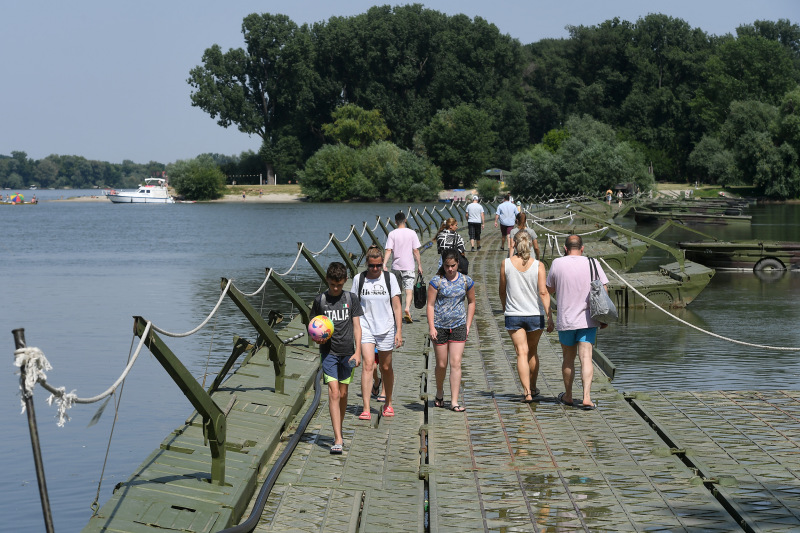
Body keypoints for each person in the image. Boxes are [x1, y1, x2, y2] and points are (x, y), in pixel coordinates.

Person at [546, 235, 609, 410]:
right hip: (588, 320)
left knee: (568, 359)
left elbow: (549, 288)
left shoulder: (557, 263)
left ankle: (568, 396)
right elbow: (604, 288)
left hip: (566, 319)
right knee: (586, 357)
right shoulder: (593, 263)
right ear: (582, 248)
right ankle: (587, 397)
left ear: (565, 249)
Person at [310, 262, 364, 454]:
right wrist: (316, 339)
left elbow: (357, 326)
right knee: (333, 392)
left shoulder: (351, 298)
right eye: (333, 284)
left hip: (348, 352)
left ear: (345, 282)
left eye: (339, 285)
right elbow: (313, 326)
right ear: (327, 280)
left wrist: (358, 352)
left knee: (342, 393)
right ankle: (338, 438)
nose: (335, 288)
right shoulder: (320, 301)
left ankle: (338, 428)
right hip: (329, 353)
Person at [499, 231, 550, 402]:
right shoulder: (539, 265)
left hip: (513, 314)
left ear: (513, 243)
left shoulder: (505, 263)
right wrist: (550, 316)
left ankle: (527, 392)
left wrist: (505, 306)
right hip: (535, 314)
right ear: (529, 244)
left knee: (521, 353)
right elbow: (543, 292)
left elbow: (502, 289)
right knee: (532, 352)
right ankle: (534, 387)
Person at [354, 246, 403, 420]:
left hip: (386, 327)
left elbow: (397, 306)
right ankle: (366, 408)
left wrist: (399, 331)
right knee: (368, 365)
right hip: (366, 326)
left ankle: (388, 403)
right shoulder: (358, 279)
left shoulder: (389, 278)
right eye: (372, 266)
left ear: (382, 263)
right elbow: (354, 306)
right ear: (367, 264)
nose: (375, 269)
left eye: (378, 266)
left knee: (385, 367)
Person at [427, 248, 476, 412]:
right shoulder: (436, 281)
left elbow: (471, 302)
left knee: (456, 363)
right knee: (442, 364)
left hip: (459, 325)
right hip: (440, 326)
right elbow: (430, 305)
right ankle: (440, 392)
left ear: (458, 264)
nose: (450, 269)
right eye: (447, 266)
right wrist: (431, 326)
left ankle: (454, 401)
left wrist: (468, 324)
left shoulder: (466, 281)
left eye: (453, 266)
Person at [383, 212, 423, 324]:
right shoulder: (412, 233)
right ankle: (407, 309)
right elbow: (416, 250)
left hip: (396, 267)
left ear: (395, 222)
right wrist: (419, 264)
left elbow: (388, 250)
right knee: (409, 291)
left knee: (397, 291)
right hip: (409, 266)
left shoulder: (392, 234)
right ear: (405, 220)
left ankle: (398, 311)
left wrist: (384, 264)